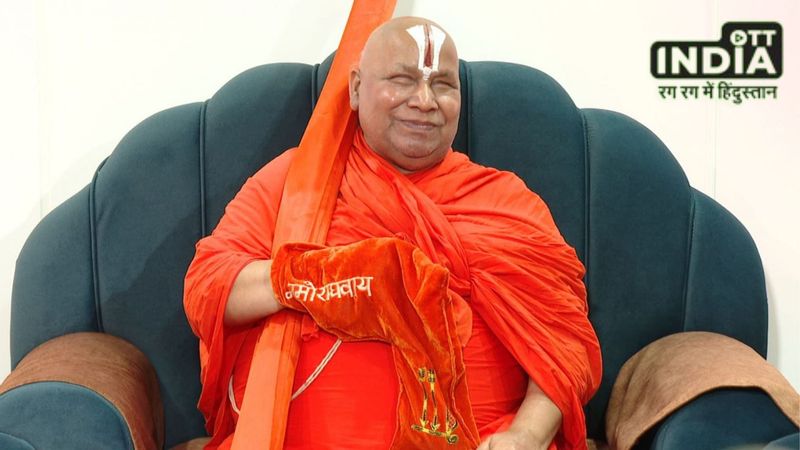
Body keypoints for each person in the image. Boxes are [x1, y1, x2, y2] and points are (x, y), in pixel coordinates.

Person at [184, 16, 602, 450]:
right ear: (356, 88)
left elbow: (564, 345)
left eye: (443, 85)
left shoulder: (505, 201)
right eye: (402, 80)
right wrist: (326, 276)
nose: (424, 101)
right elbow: (209, 286)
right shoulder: (298, 181)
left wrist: (526, 436)